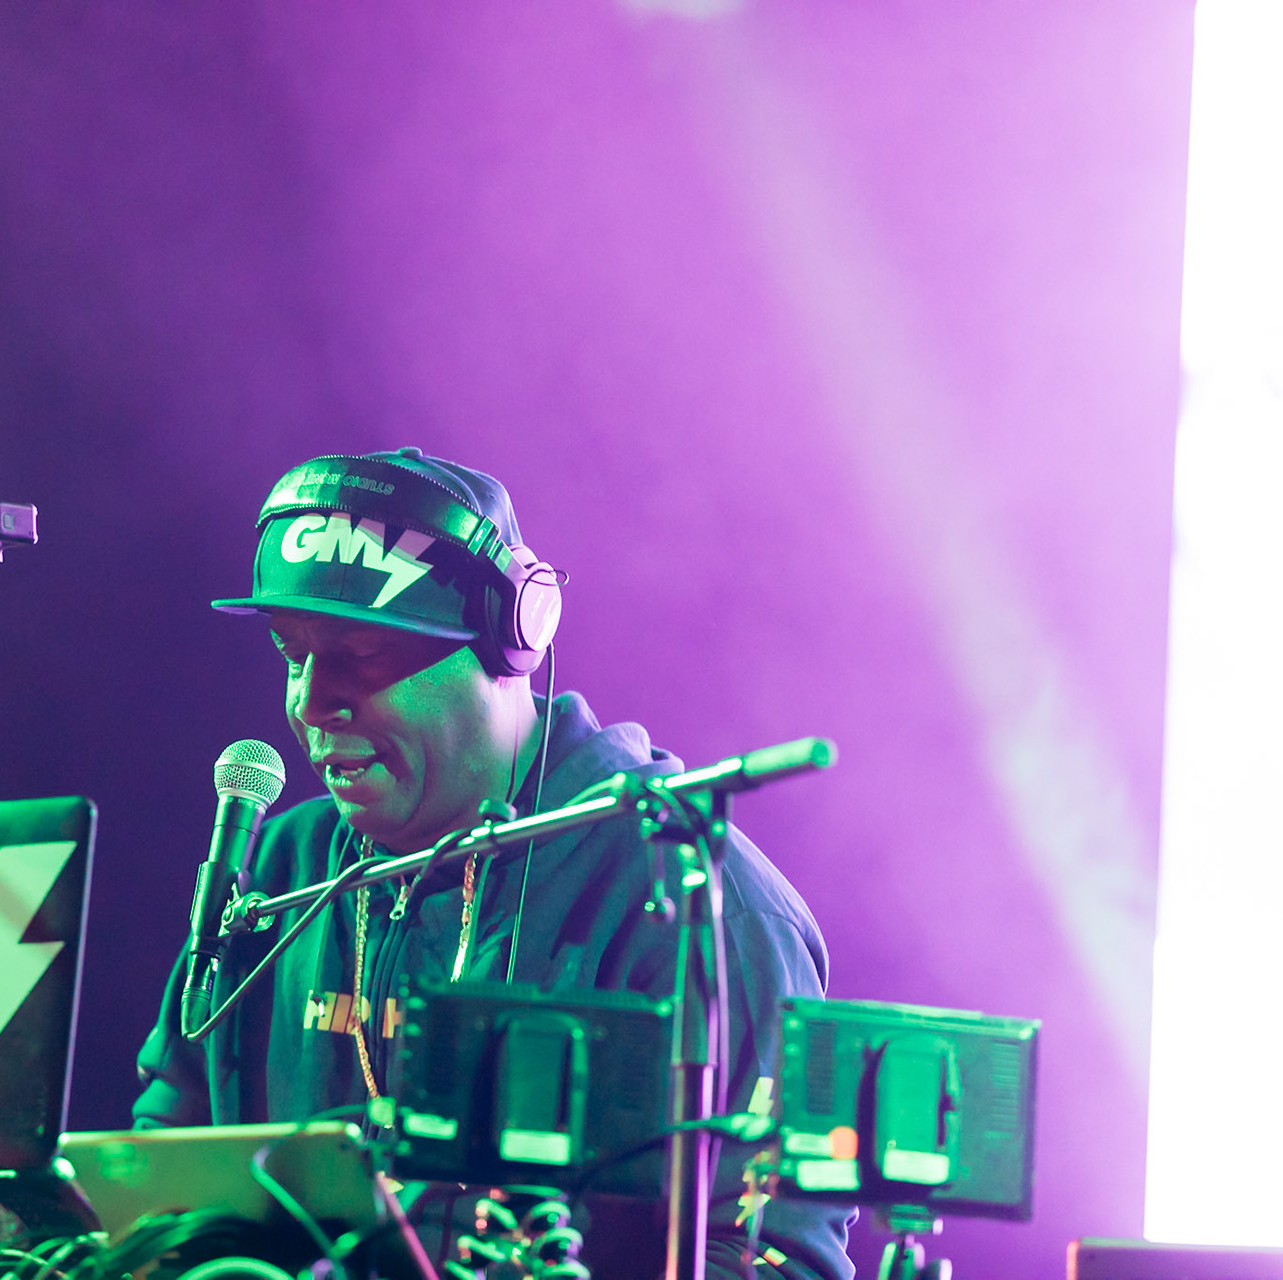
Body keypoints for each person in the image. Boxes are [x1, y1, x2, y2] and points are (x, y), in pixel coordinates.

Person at [134, 447, 854, 1278]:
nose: (308, 702)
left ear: (511, 644)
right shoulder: (280, 874)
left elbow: (774, 1256)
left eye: (362, 655)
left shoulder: (701, 905)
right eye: (292, 653)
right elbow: (164, 1171)